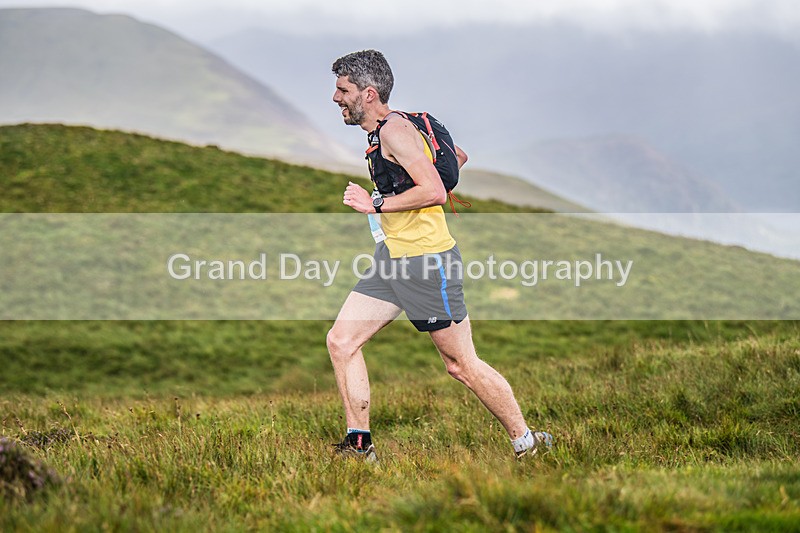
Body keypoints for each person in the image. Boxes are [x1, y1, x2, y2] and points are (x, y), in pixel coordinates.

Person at [328, 49, 552, 462]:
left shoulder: (395, 132)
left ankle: (527, 443)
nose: (336, 97)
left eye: (343, 90)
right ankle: (360, 445)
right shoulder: (400, 125)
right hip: (392, 258)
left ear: (369, 94)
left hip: (426, 262)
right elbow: (456, 157)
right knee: (342, 341)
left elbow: (433, 190)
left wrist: (374, 204)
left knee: (460, 364)